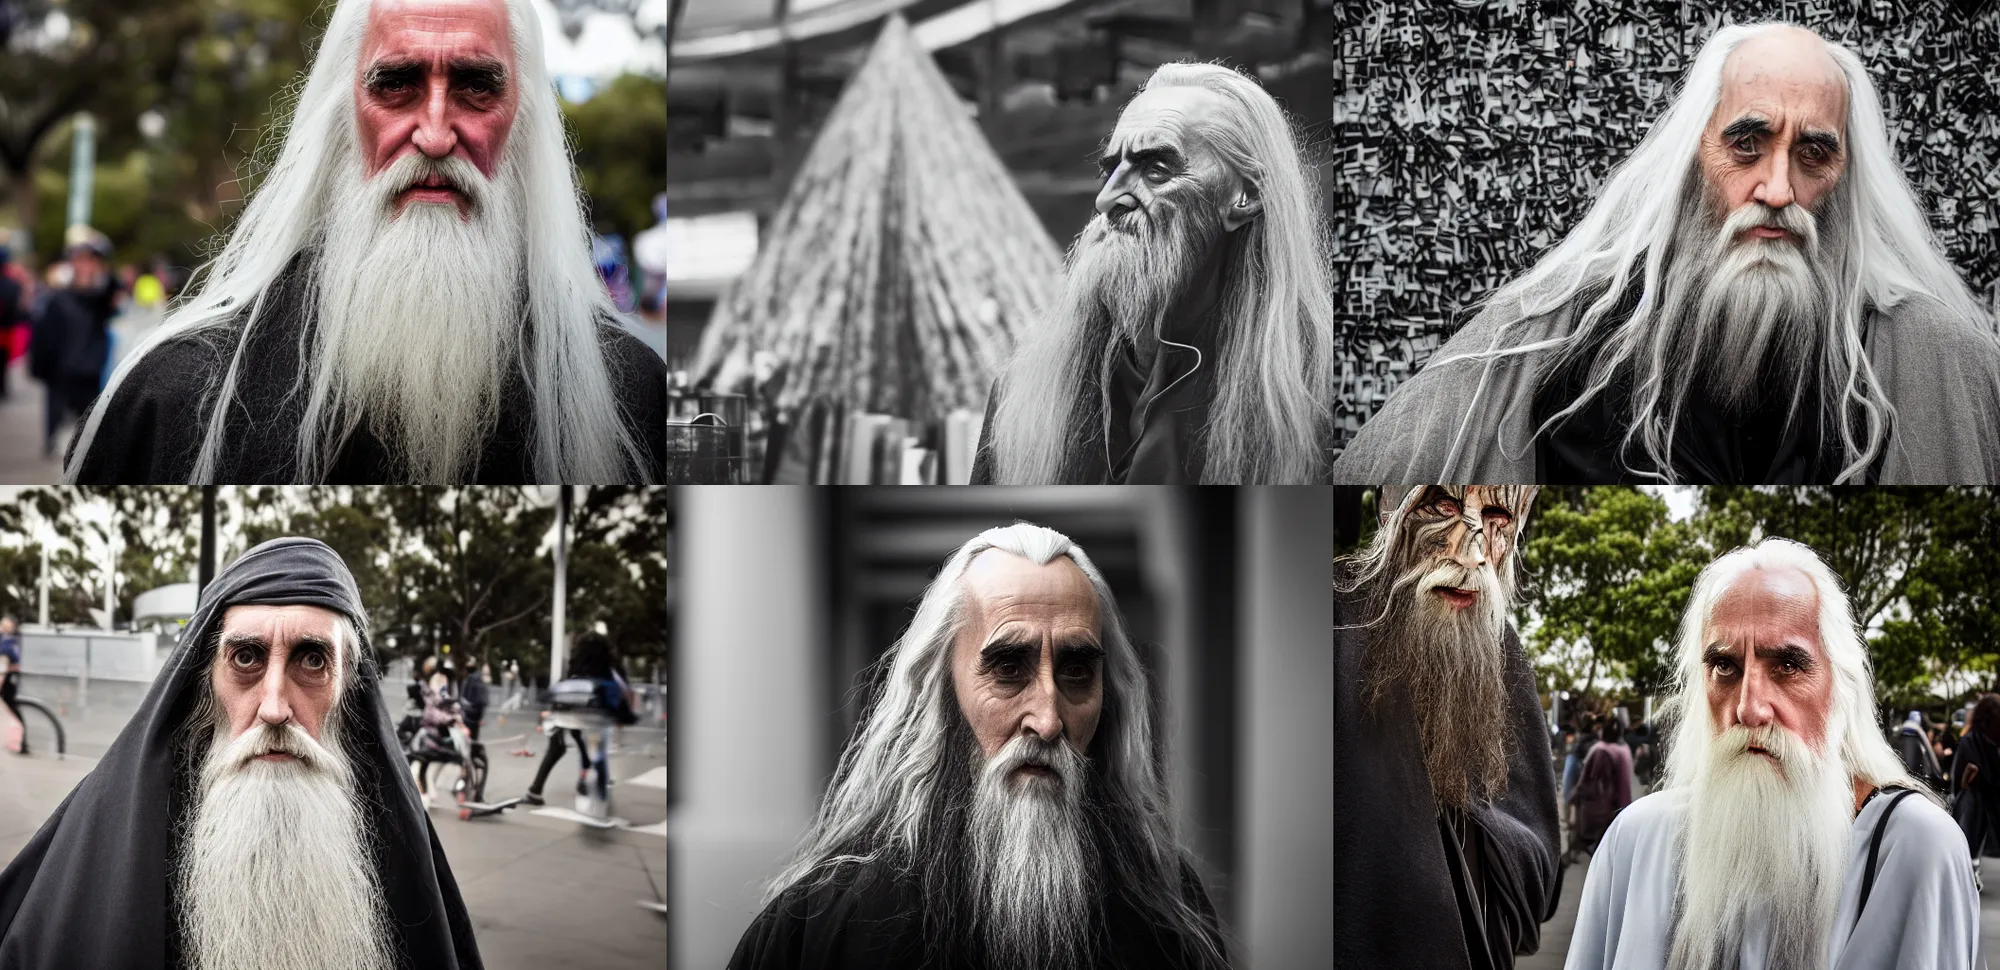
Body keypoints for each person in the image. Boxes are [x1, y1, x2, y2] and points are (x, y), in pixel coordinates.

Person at [1333, 22, 2000, 485]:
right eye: (1747, 145)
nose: (1776, 188)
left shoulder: (1930, 358)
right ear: (1694, 155)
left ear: (1844, 178)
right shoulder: (1565, 333)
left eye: (1812, 154)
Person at [64, 0, 665, 484]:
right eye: (396, 84)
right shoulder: (172, 396)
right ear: (343, 113)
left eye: (476, 86)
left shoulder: (633, 397)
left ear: (522, 116)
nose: (433, 134)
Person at [731, 523, 1226, 970]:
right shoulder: (822, 922)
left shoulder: (1166, 907)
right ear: (942, 693)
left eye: (1077, 671)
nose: (1048, 719)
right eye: (1008, 668)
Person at [0, 537, 480, 969]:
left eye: (313, 660)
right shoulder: (104, 835)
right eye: (245, 658)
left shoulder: (397, 852)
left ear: (349, 688)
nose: (274, 708)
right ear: (204, 681)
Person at [1565, 538, 1977, 969]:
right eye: (1725, 666)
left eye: (1787, 665)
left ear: (1841, 687)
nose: (1748, 708)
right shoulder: (1636, 839)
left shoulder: (1915, 848)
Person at [971, 62, 1337, 484]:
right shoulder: (1021, 395)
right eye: (1110, 171)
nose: (1107, 200)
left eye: (1156, 171)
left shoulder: (1315, 397)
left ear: (1245, 195)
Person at [1334, 486, 1560, 970]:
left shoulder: (1501, 648)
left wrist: (1464, 830)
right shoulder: (1330, 616)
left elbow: (1538, 857)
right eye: (1442, 507)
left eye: (1498, 515)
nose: (1472, 551)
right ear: (1392, 510)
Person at [30, 233, 117, 459]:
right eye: (80, 260)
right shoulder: (58, 298)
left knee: (86, 428)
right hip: (60, 370)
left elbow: (112, 290)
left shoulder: (100, 298)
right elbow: (44, 336)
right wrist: (40, 367)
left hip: (89, 371)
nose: (86, 266)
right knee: (56, 425)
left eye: (92, 261)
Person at [1950, 694, 2000, 890]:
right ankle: (1968, 868)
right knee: (1973, 807)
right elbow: (1959, 784)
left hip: (1992, 799)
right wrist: (1969, 777)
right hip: (1976, 800)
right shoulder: (1969, 743)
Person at [1567, 719, 1633, 865]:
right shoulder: (1624, 750)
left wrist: (1574, 797)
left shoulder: (1599, 749)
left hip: (1598, 805)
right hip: (1617, 806)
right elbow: (1625, 783)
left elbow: (1586, 778)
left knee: (1593, 842)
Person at [1894, 709, 1946, 793]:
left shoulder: (1900, 733)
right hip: (1918, 781)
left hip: (1902, 778)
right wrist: (1938, 775)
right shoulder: (1919, 734)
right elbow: (1929, 755)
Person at [0, 244, 28, 400]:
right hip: (6, 330)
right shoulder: (12, 285)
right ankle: (3, 388)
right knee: (3, 363)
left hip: (5, 330)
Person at [0, 616, 22, 755]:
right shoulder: (7, 639)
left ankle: (20, 741)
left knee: (12, 706)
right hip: (8, 675)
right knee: (11, 706)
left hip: (8, 676)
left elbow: (9, 660)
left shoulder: (9, 641)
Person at [461, 660, 490, 741]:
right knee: (474, 736)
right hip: (477, 713)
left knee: (467, 736)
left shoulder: (471, 679)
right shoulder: (479, 678)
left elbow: (467, 696)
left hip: (470, 712)